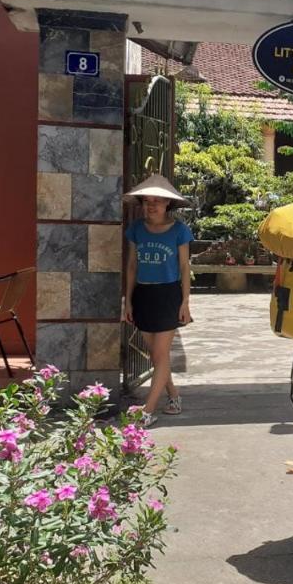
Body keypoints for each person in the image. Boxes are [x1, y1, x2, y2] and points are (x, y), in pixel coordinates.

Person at [124, 174, 194, 428]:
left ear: (168, 204)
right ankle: (174, 396)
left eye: (158, 201)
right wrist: (128, 301)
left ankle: (147, 410)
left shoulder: (179, 230)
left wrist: (185, 302)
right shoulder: (136, 230)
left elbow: (185, 267)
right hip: (143, 295)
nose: (151, 205)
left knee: (159, 353)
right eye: (147, 201)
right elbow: (132, 266)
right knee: (157, 357)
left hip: (168, 295)